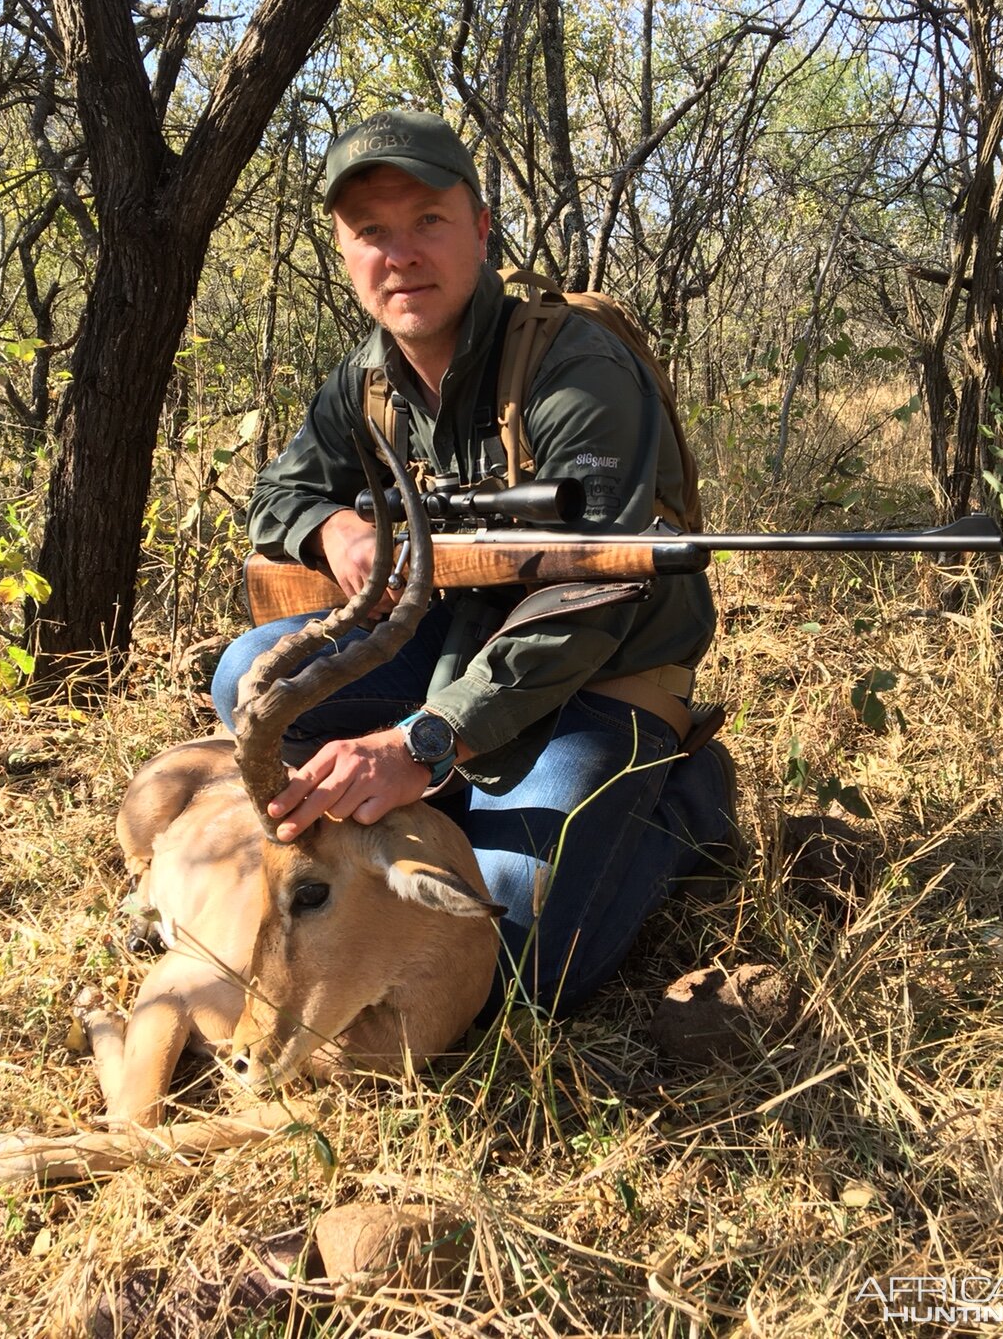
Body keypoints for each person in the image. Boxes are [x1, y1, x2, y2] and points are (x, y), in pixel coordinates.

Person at [212, 108, 736, 1020]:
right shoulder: (367, 380)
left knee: (512, 965)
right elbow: (277, 496)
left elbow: (592, 599)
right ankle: (454, 805)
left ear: (481, 231)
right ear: (344, 253)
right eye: (372, 232)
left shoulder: (578, 369)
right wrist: (337, 531)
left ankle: (684, 805)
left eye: (428, 222)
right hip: (458, 646)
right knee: (246, 679)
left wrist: (423, 743)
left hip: (601, 672)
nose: (402, 254)